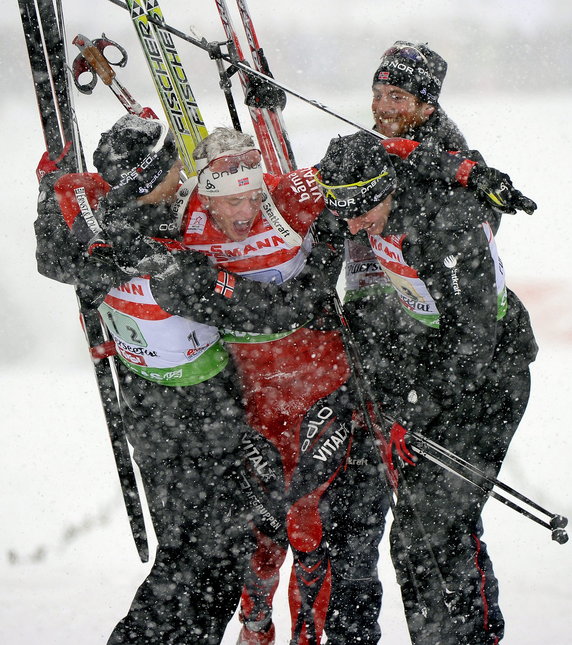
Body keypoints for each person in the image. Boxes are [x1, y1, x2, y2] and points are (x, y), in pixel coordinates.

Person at [34, 114, 342, 645]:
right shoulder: (171, 264)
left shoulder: (90, 232)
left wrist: (49, 192)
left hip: (149, 417)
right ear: (148, 180)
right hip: (201, 420)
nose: (182, 177)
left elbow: (54, 254)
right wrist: (318, 283)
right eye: (173, 169)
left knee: (189, 553)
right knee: (209, 565)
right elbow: (258, 309)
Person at [144, 126, 394, 645]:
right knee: (261, 528)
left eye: (253, 197)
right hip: (256, 396)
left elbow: (374, 164)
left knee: (308, 522)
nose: (246, 213)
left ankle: (309, 636)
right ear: (205, 196)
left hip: (320, 381)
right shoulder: (178, 220)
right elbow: (107, 227)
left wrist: (465, 172)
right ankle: (256, 627)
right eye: (232, 201)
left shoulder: (291, 194)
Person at [316, 130, 538, 645]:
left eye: (363, 212)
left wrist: (411, 410)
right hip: (432, 365)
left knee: (430, 531)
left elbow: (472, 343)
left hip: (489, 383)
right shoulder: (374, 193)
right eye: (343, 213)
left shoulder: (449, 226)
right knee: (420, 535)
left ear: (387, 189)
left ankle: (469, 636)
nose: (354, 226)